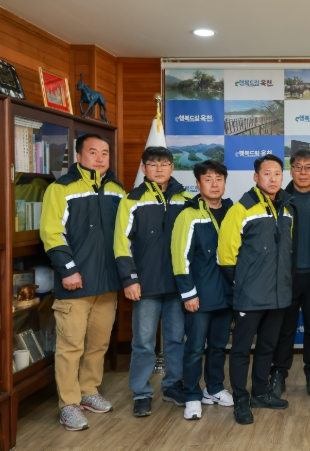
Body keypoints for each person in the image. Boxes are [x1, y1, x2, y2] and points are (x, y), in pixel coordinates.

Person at [40, 134, 125, 431]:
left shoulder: (117, 190)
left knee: (98, 343)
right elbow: (51, 232)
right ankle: (69, 404)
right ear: (78, 156)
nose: (100, 158)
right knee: (70, 345)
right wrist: (68, 270)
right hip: (75, 282)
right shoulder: (60, 188)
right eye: (93, 152)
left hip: (108, 282)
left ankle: (89, 391)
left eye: (105, 153)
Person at [114, 146, 193, 418]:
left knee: (176, 339)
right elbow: (121, 244)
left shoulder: (186, 199)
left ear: (172, 167)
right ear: (144, 168)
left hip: (177, 286)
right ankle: (141, 393)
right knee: (144, 343)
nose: (159, 169)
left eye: (164, 164)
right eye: (152, 164)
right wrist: (130, 279)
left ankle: (172, 386)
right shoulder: (132, 199)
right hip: (144, 286)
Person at [217, 154, 294, 425]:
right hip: (250, 295)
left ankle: (260, 393)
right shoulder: (241, 209)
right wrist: (242, 285)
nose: (273, 179)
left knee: (267, 346)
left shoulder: (287, 209)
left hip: (278, 294)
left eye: (277, 174)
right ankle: (241, 398)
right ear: (256, 177)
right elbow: (226, 257)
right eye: (267, 173)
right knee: (240, 349)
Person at [171, 160, 234, 420]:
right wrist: (188, 294)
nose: (214, 184)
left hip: (227, 293)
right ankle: (192, 395)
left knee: (218, 345)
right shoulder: (188, 214)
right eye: (208, 179)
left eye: (219, 179)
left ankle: (214, 388)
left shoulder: (231, 211)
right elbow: (180, 257)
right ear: (198, 184)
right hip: (199, 294)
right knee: (195, 348)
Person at [269, 150, 310, 398]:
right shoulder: (277, 199)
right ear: (291, 171)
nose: (303, 172)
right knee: (284, 328)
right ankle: (279, 373)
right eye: (298, 167)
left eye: (309, 167)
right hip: (286, 276)